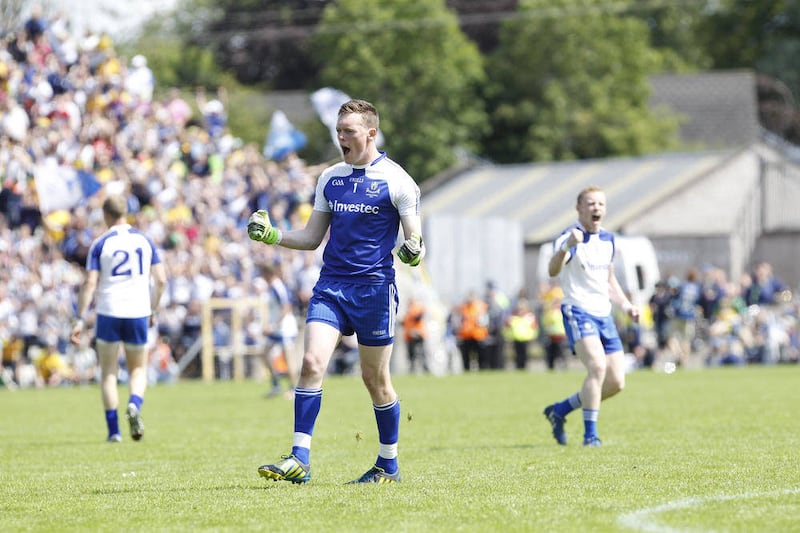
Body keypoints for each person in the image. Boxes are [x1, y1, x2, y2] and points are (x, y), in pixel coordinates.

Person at [247, 99, 425, 484]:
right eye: (338, 130)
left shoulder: (398, 180)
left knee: (375, 381)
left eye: (349, 130)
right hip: (331, 287)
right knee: (311, 362)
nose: (341, 136)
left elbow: (414, 242)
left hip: (375, 290)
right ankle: (299, 459)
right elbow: (312, 237)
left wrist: (413, 251)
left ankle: (388, 464)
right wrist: (273, 235)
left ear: (371, 133)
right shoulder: (330, 178)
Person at [542, 185, 639, 447]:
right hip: (578, 310)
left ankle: (561, 410)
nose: (596, 208)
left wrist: (626, 305)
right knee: (597, 367)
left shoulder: (608, 239)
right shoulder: (569, 237)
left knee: (616, 382)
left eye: (600, 204)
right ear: (579, 208)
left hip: (604, 314)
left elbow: (609, 280)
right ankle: (590, 435)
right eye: (590, 203)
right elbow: (552, 271)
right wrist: (566, 247)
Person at [71, 195, 167, 442]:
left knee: (109, 373)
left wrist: (80, 318)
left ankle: (114, 431)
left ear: (105, 215)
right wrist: (153, 310)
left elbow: (90, 282)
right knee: (137, 369)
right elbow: (161, 280)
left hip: (109, 311)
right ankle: (134, 404)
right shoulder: (145, 240)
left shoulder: (101, 243)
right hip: (137, 311)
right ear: (128, 212)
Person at [259, 263, 299, 398]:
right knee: (264, 353)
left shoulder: (278, 287)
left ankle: (293, 389)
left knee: (288, 359)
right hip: (277, 329)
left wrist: (273, 325)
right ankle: (276, 384)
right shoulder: (272, 287)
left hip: (285, 328)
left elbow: (286, 307)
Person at [401, 295, 427, 373]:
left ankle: (424, 368)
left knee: (420, 353)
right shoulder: (407, 311)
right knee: (411, 354)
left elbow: (420, 316)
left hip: (418, 334)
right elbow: (404, 323)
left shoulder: (416, 308)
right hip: (409, 336)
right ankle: (412, 369)